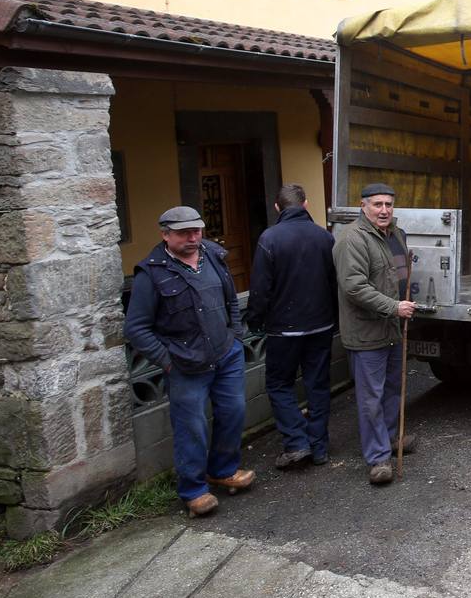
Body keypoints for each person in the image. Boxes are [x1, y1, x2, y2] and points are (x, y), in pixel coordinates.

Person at [124, 206, 255, 516]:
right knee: (191, 426)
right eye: (184, 233)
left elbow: (230, 301)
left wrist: (235, 336)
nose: (193, 237)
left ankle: (223, 469)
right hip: (184, 365)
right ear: (165, 235)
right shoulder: (151, 272)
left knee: (234, 412)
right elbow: (136, 328)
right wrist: (166, 361)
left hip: (226, 354)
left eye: (197, 230)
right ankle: (193, 489)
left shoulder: (212, 256)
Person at [245, 184, 338, 470]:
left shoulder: (270, 238)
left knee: (278, 384)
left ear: (278, 208)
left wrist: (255, 320)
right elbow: (334, 280)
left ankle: (297, 442)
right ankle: (319, 447)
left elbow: (260, 288)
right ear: (306, 204)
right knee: (318, 385)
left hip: (283, 328)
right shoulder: (324, 237)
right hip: (321, 324)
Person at [332, 183, 419, 485]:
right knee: (371, 398)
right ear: (363, 206)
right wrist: (394, 307)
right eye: (377, 204)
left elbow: (395, 274)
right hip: (366, 332)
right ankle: (378, 458)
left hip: (392, 329)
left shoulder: (395, 234)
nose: (384, 210)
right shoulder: (352, 239)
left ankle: (392, 438)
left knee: (393, 389)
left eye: (388, 204)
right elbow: (354, 287)